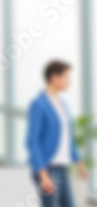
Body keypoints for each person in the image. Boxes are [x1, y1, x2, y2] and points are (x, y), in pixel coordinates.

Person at [26, 60, 88, 207]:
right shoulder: (39, 104)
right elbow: (32, 140)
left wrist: (79, 163)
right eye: (66, 77)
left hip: (62, 168)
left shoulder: (63, 104)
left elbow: (68, 139)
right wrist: (42, 172)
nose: (69, 82)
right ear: (54, 77)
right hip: (48, 168)